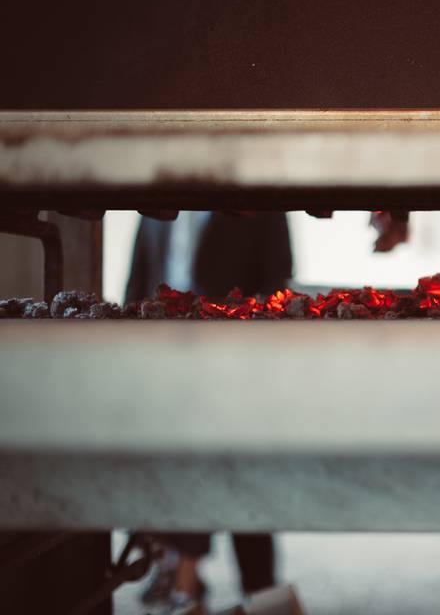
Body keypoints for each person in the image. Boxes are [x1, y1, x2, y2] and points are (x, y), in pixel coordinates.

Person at [126, 210, 292, 610]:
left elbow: (277, 278)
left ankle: (252, 589)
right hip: (167, 357)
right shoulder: (153, 206)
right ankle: (187, 581)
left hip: (234, 359)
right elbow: (139, 277)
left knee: (244, 476)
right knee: (181, 466)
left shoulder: (257, 204)